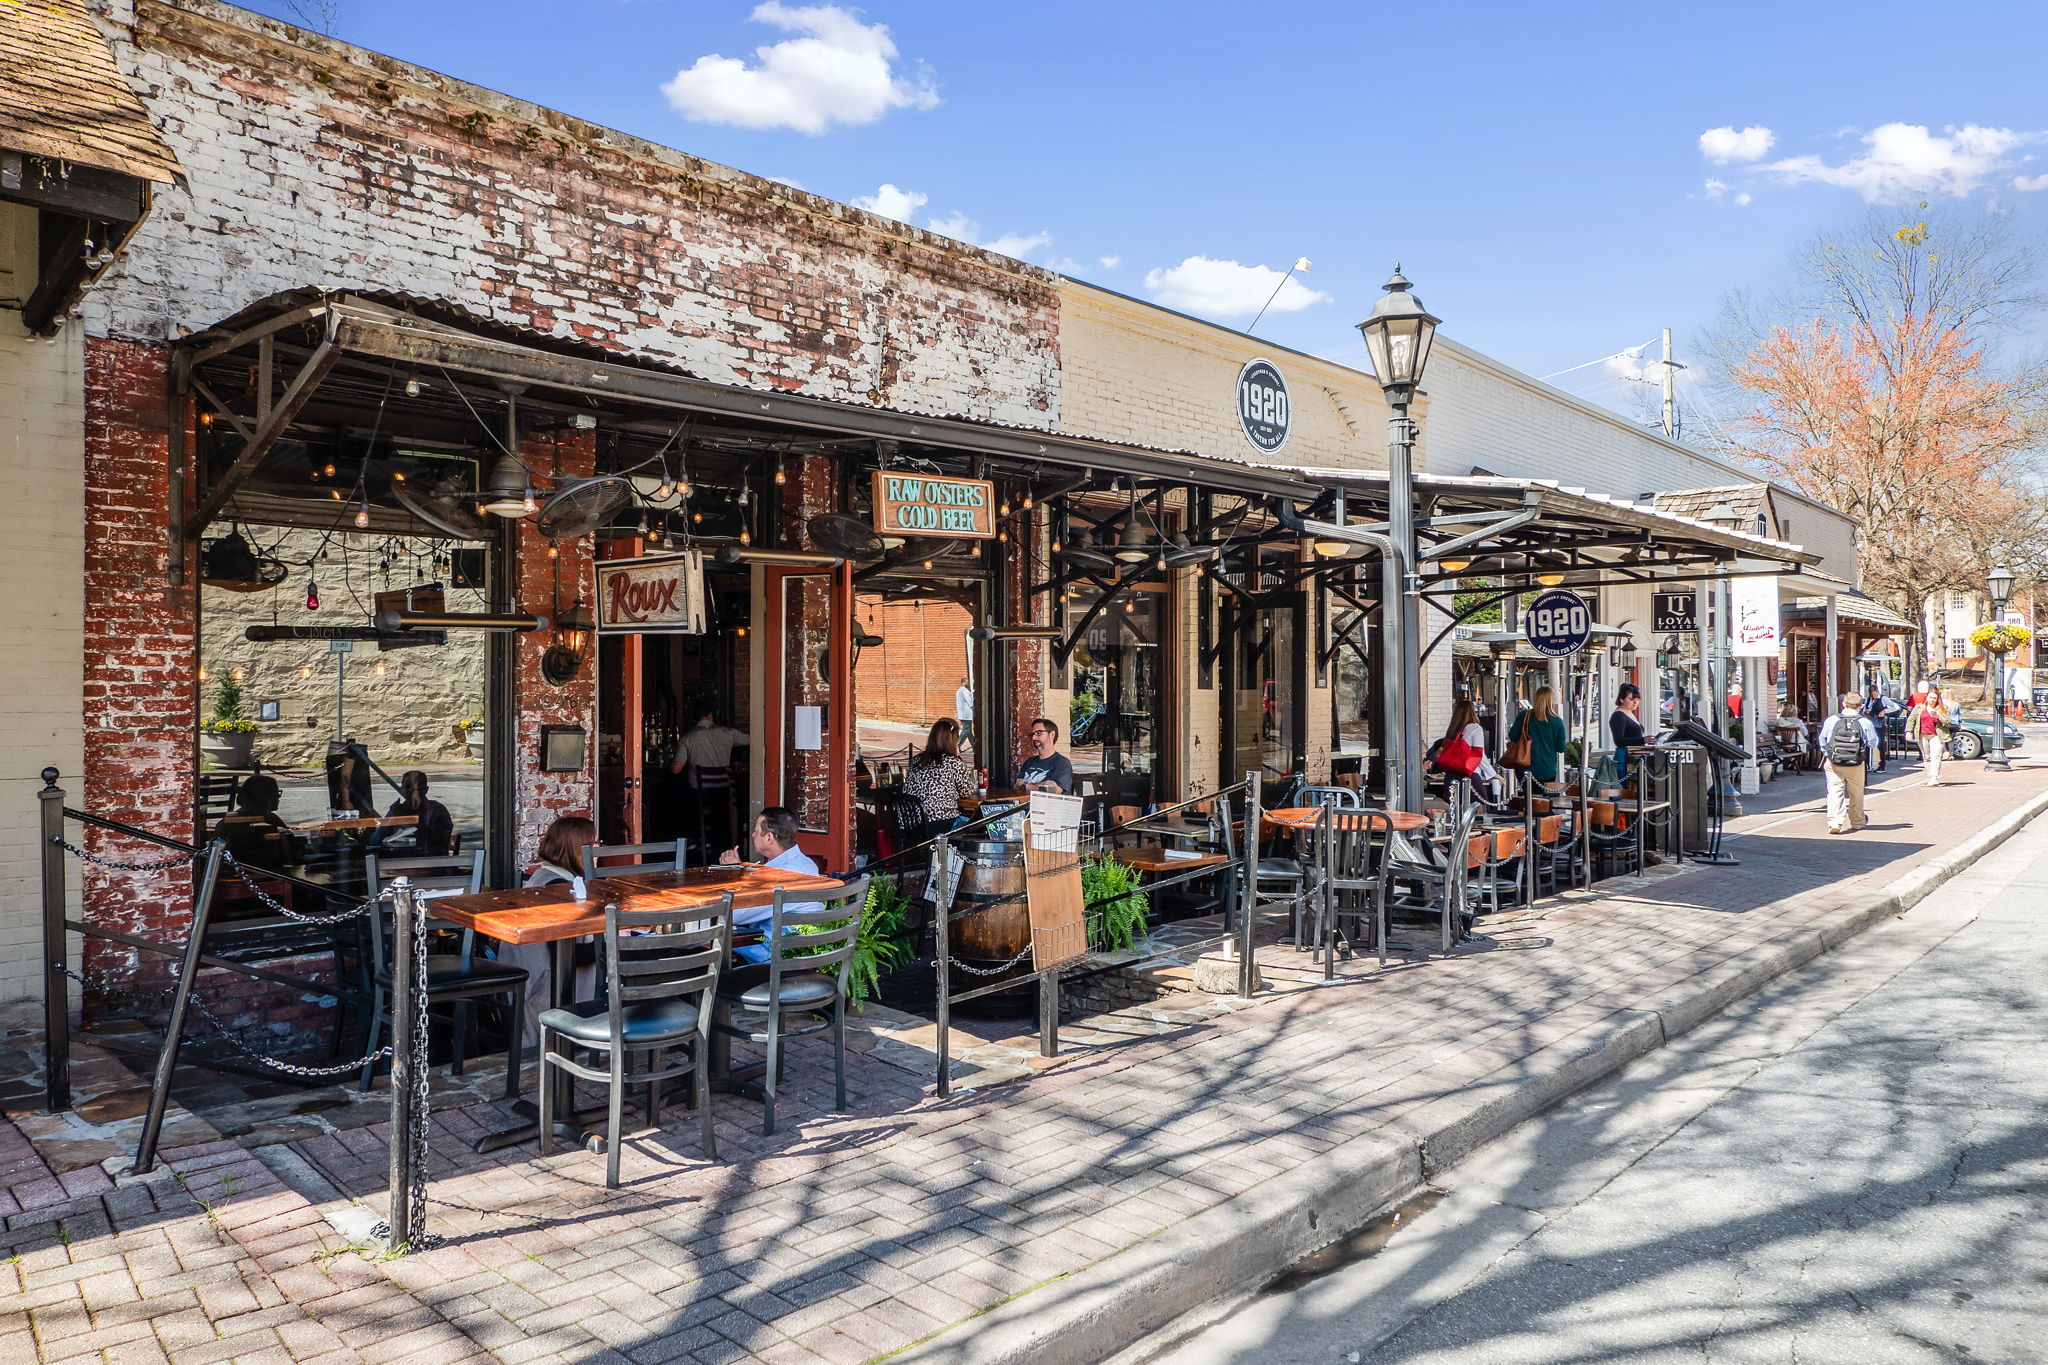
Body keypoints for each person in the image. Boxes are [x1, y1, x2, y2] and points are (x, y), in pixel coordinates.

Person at [504, 815, 597, 1046]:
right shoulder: (559, 890)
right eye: (595, 844)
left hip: (529, 991)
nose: (598, 852)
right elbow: (571, 956)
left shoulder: (543, 878)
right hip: (546, 996)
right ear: (577, 849)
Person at [719, 806, 823, 963]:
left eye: (756, 830)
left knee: (710, 935)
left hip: (776, 956)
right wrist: (740, 870)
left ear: (769, 838)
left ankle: (700, 985)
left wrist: (733, 876)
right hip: (804, 952)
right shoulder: (807, 864)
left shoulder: (777, 876)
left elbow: (734, 915)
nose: (753, 835)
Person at [904, 718, 977, 842]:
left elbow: (907, 790)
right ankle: (960, 860)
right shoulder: (953, 762)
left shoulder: (916, 761)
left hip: (913, 824)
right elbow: (967, 791)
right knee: (980, 826)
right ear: (953, 740)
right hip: (942, 824)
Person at [1818, 693, 1881, 834]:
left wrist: (1827, 753)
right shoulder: (1864, 722)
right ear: (1860, 707)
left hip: (1834, 761)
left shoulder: (1831, 720)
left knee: (1835, 791)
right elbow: (1873, 742)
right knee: (1856, 793)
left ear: (1843, 704)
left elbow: (1822, 740)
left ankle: (1835, 822)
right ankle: (1857, 821)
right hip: (1856, 762)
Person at [212, 774, 292, 864]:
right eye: (276, 793)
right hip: (267, 873)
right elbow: (291, 848)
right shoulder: (269, 821)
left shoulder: (226, 823)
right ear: (267, 798)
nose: (278, 798)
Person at [1433, 698, 1500, 795]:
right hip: (1469, 774)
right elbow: (1479, 755)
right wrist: (1492, 774)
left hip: (1451, 775)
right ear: (1473, 712)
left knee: (1455, 806)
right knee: (1481, 804)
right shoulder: (1475, 728)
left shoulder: (1452, 729)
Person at [1510, 686, 1570, 789]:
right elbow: (1561, 748)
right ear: (1551, 700)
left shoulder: (1524, 716)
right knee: (1544, 803)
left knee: (1528, 800)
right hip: (1547, 770)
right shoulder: (1557, 722)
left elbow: (1512, 736)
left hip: (1524, 767)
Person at [386, 769, 453, 856]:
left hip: (427, 863)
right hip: (397, 862)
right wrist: (392, 820)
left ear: (426, 790)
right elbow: (375, 839)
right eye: (408, 787)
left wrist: (406, 820)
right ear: (402, 789)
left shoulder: (437, 810)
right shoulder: (397, 810)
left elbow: (437, 843)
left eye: (419, 789)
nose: (413, 794)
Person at [1907, 685, 1955, 787]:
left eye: (1934, 698)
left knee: (1936, 755)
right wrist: (1908, 732)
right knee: (1927, 756)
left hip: (1936, 735)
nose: (1932, 700)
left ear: (1938, 699)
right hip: (1922, 734)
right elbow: (1911, 719)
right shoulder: (1919, 707)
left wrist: (1939, 717)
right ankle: (1929, 776)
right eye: (1931, 697)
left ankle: (1934, 777)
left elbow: (1948, 722)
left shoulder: (1942, 708)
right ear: (1927, 697)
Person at [1017, 717, 1075, 794]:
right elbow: (1017, 785)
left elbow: (1054, 790)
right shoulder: (1029, 762)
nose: (1034, 738)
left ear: (1052, 735)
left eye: (1038, 733)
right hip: (1025, 804)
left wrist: (1026, 786)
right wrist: (1041, 785)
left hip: (1048, 805)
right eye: (1032, 734)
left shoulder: (1062, 763)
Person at [1609, 683, 1647, 777]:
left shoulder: (1629, 713)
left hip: (1633, 757)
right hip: (1624, 758)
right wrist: (1643, 740)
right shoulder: (1618, 715)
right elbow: (1619, 741)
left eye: (1637, 699)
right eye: (1631, 699)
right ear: (1622, 699)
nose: (1635, 702)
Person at [954, 676, 974, 751]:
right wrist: (973, 708)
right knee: (966, 730)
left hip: (963, 714)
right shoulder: (964, 691)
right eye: (967, 682)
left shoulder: (959, 691)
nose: (968, 684)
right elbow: (969, 701)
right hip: (966, 715)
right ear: (964, 682)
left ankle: (974, 746)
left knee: (968, 731)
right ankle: (957, 745)